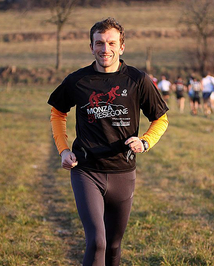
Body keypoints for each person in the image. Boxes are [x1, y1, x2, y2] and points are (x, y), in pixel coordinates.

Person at [47, 17, 169, 266]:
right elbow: (58, 113)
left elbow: (161, 119)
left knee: (113, 245)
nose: (105, 49)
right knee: (97, 242)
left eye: (111, 43)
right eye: (99, 43)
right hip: (86, 171)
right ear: (91, 47)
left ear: (122, 46)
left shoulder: (137, 80)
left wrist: (145, 142)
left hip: (123, 172)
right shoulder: (77, 81)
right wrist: (63, 150)